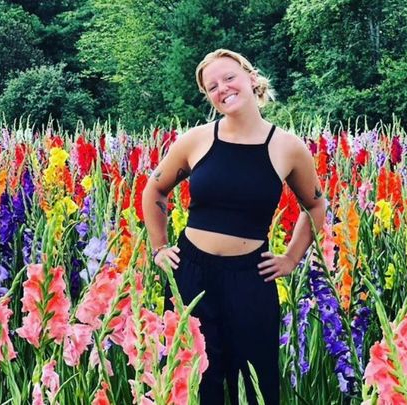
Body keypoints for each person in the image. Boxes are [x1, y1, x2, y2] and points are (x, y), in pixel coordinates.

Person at [141, 49, 325, 405]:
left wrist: (291, 259)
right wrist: (159, 247)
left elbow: (315, 205)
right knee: (191, 385)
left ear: (251, 78)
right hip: (191, 274)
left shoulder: (288, 148)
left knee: (255, 387)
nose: (222, 88)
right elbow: (154, 190)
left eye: (228, 78)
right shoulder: (196, 140)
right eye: (212, 87)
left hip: (250, 278)